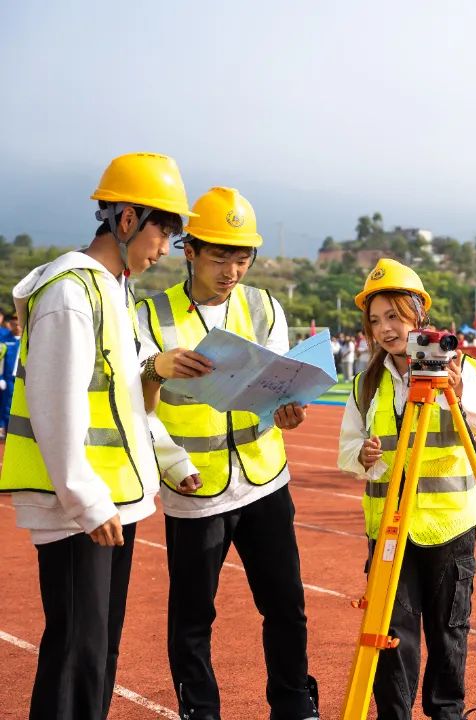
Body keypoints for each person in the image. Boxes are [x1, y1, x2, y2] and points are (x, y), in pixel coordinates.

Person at [0, 152, 200, 720]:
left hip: (112, 503)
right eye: (163, 234)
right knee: (75, 653)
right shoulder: (70, 293)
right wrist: (86, 499)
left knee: (99, 652)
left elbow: (126, 401)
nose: (164, 251)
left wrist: (171, 460)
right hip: (78, 510)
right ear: (128, 219)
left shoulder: (116, 292)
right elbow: (55, 406)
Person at [137, 187, 318, 720]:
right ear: (189, 250)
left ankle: (294, 703)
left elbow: (282, 385)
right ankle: (200, 710)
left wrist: (289, 410)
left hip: (265, 479)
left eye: (242, 259)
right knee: (193, 616)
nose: (231, 271)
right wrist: (155, 372)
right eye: (220, 258)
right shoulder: (150, 315)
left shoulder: (263, 306)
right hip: (195, 486)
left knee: (286, 605)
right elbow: (135, 403)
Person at [338, 258, 476, 719]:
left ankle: (447, 712)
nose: (385, 329)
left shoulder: (457, 366)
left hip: (449, 524)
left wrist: (457, 391)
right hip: (390, 529)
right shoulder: (365, 384)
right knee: (392, 631)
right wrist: (362, 456)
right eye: (375, 321)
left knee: (450, 628)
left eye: (394, 316)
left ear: (418, 314)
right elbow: (347, 449)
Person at [0, 313, 21, 440]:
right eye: (14, 323)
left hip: (22, 379)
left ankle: (14, 430)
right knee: (6, 404)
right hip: (8, 379)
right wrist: (1, 378)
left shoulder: (26, 340)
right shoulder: (5, 339)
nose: (17, 326)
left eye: (19, 323)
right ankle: (3, 428)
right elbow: (1, 359)